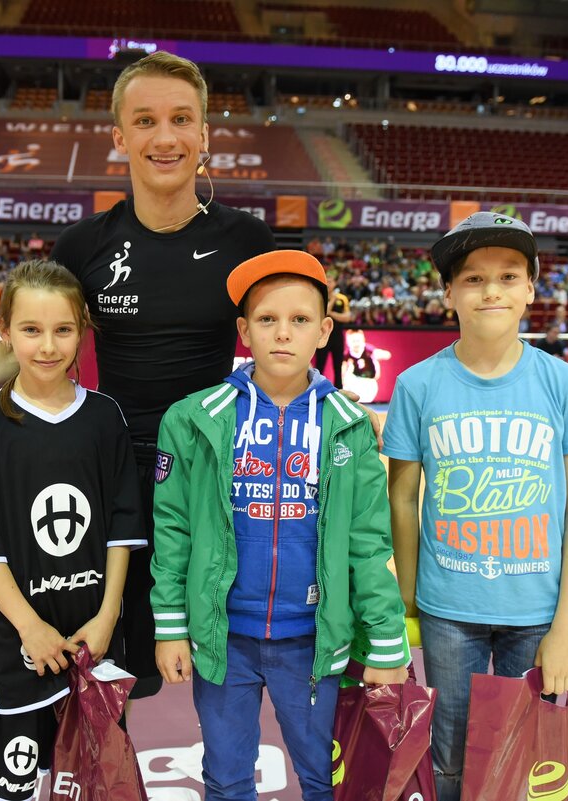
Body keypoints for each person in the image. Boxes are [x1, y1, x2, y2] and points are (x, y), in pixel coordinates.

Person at [0, 51, 278, 701]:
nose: (166, 137)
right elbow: (21, 349)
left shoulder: (249, 242)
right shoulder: (86, 245)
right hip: (109, 476)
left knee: (220, 659)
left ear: (205, 135)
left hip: (212, 475)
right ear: (119, 136)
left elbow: (283, 346)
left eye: (182, 119)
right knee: (113, 670)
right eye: (145, 120)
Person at [151, 250, 409, 801]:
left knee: (326, 778)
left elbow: (368, 544)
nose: (283, 333)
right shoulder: (192, 419)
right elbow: (173, 530)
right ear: (244, 331)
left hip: (315, 641)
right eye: (267, 319)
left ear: (324, 331)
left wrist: (386, 639)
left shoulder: (349, 426)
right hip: (224, 639)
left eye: (299, 319)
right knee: (226, 778)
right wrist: (170, 625)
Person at [383, 213, 568, 801]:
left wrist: (567, 628)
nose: (491, 291)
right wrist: (407, 595)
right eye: (473, 278)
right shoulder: (417, 384)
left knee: (522, 756)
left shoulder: (564, 383)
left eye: (508, 276)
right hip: (447, 607)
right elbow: (402, 497)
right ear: (448, 293)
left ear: (530, 289)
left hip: (536, 610)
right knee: (449, 754)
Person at [0, 261, 145, 800]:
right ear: (5, 332)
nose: (49, 346)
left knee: (97, 778)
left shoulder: (103, 417)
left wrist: (107, 617)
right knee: (15, 781)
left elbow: (121, 529)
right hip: (18, 640)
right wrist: (29, 627)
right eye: (31, 330)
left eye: (63, 329)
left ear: (83, 332)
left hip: (94, 636)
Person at [314, 271, 352, 388]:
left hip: (337, 336)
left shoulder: (342, 298)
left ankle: (339, 390)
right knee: (320, 365)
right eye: (327, 281)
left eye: (331, 281)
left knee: (338, 366)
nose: (329, 284)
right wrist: (332, 301)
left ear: (335, 283)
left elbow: (347, 317)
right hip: (323, 335)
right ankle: (316, 389)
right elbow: (324, 313)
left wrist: (333, 314)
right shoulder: (320, 297)